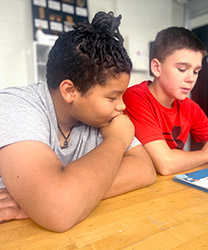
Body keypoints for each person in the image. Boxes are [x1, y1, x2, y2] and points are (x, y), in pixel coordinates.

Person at [0, 11, 156, 232]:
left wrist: (65, 197)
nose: (122, 106)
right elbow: (59, 212)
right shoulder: (15, 106)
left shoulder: (102, 117)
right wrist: (117, 141)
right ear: (70, 90)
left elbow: (144, 169)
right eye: (112, 97)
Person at [123, 26, 208, 179]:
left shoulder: (188, 107)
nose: (191, 78)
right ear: (157, 68)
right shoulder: (136, 97)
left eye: (196, 71)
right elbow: (165, 164)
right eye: (182, 69)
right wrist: (206, 155)